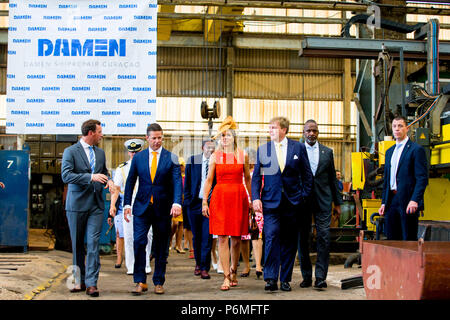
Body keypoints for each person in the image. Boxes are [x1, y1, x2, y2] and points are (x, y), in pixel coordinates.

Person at [252, 116, 313, 292]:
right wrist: (255, 198)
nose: (270, 130)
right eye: (269, 128)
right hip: (270, 203)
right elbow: (256, 177)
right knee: (270, 238)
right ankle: (270, 278)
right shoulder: (263, 150)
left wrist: (303, 196)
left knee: (289, 241)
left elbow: (307, 175)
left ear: (284, 130)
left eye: (273, 128)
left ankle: (285, 279)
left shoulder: (298, 148)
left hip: (293, 203)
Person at [123, 123, 183, 295]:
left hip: (163, 208)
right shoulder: (138, 158)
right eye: (154, 138)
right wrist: (127, 204)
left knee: (161, 246)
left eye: (160, 138)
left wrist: (177, 203)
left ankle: (158, 281)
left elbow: (177, 182)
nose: (157, 141)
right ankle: (140, 280)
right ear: (147, 138)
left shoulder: (171, 158)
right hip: (142, 207)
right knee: (139, 242)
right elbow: (130, 182)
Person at [61, 119, 114, 297]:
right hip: (76, 205)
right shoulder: (71, 152)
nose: (102, 135)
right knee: (77, 246)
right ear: (91, 133)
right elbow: (66, 175)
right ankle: (78, 280)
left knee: (93, 244)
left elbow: (104, 172)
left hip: (96, 206)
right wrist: (90, 177)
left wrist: (110, 180)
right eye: (99, 132)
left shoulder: (100, 153)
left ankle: (92, 283)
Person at [202, 116, 252, 291]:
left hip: (239, 197)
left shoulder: (242, 155)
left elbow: (247, 178)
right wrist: (204, 202)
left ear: (234, 137)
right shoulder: (215, 156)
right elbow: (209, 180)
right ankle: (225, 276)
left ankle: (234, 270)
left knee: (237, 239)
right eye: (222, 135)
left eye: (228, 135)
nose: (225, 138)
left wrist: (252, 200)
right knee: (222, 238)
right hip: (220, 197)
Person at [297, 119, 343, 290]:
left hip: (323, 201)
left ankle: (320, 277)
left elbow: (332, 178)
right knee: (303, 239)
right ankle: (306, 276)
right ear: (303, 133)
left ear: (318, 133)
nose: (311, 134)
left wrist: (337, 203)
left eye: (314, 131)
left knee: (323, 237)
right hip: (302, 202)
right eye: (308, 131)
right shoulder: (297, 151)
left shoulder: (327, 152)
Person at [379, 115, 428, 240]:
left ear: (407, 128)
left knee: (408, 238)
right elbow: (387, 180)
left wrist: (415, 200)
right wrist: (384, 202)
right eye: (394, 126)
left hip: (408, 201)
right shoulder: (390, 152)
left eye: (400, 126)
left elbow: (422, 178)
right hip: (392, 201)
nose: (397, 129)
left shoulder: (416, 150)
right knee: (392, 238)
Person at [109, 139, 152, 275]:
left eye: (137, 152)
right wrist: (112, 206)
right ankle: (131, 265)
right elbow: (116, 189)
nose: (133, 154)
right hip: (129, 204)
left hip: (146, 203)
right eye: (131, 152)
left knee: (148, 235)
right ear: (128, 152)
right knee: (128, 236)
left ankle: (145, 264)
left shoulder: (150, 165)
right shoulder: (122, 168)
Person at [184, 139, 216, 279]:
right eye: (208, 147)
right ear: (203, 147)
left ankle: (204, 267)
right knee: (196, 236)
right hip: (194, 203)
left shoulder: (216, 162)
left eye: (213, 148)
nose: (211, 150)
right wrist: (188, 200)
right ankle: (198, 263)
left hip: (210, 204)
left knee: (207, 237)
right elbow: (187, 182)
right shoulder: (193, 160)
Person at [169, 157, 186, 254]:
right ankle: (170, 240)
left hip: (184, 202)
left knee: (181, 225)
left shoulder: (185, 177)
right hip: (174, 202)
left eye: (181, 165)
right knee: (174, 224)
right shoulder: (172, 176)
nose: (180, 167)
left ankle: (178, 245)